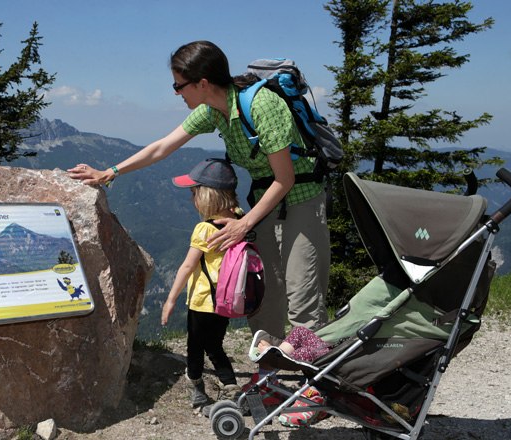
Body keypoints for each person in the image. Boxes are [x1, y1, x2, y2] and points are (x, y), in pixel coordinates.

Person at [68, 40, 329, 336]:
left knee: (301, 296)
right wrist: (109, 172)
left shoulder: (262, 106)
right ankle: (267, 370)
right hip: (262, 202)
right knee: (262, 290)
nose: (177, 93)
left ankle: (316, 375)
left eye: (179, 86)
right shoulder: (212, 111)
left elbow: (286, 179)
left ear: (202, 83)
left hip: (301, 198)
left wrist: (243, 224)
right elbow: (162, 147)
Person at [161, 158, 243, 408]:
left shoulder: (204, 229)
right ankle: (230, 386)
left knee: (195, 348)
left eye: (194, 193)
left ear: (208, 197)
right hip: (227, 300)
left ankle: (197, 388)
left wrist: (170, 300)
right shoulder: (240, 221)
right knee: (215, 345)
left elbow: (187, 266)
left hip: (202, 302)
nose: (191, 199)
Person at [249, 327, 331, 427]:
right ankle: (276, 353)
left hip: (334, 356)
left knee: (311, 351)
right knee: (299, 330)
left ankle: (274, 355)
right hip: (333, 346)